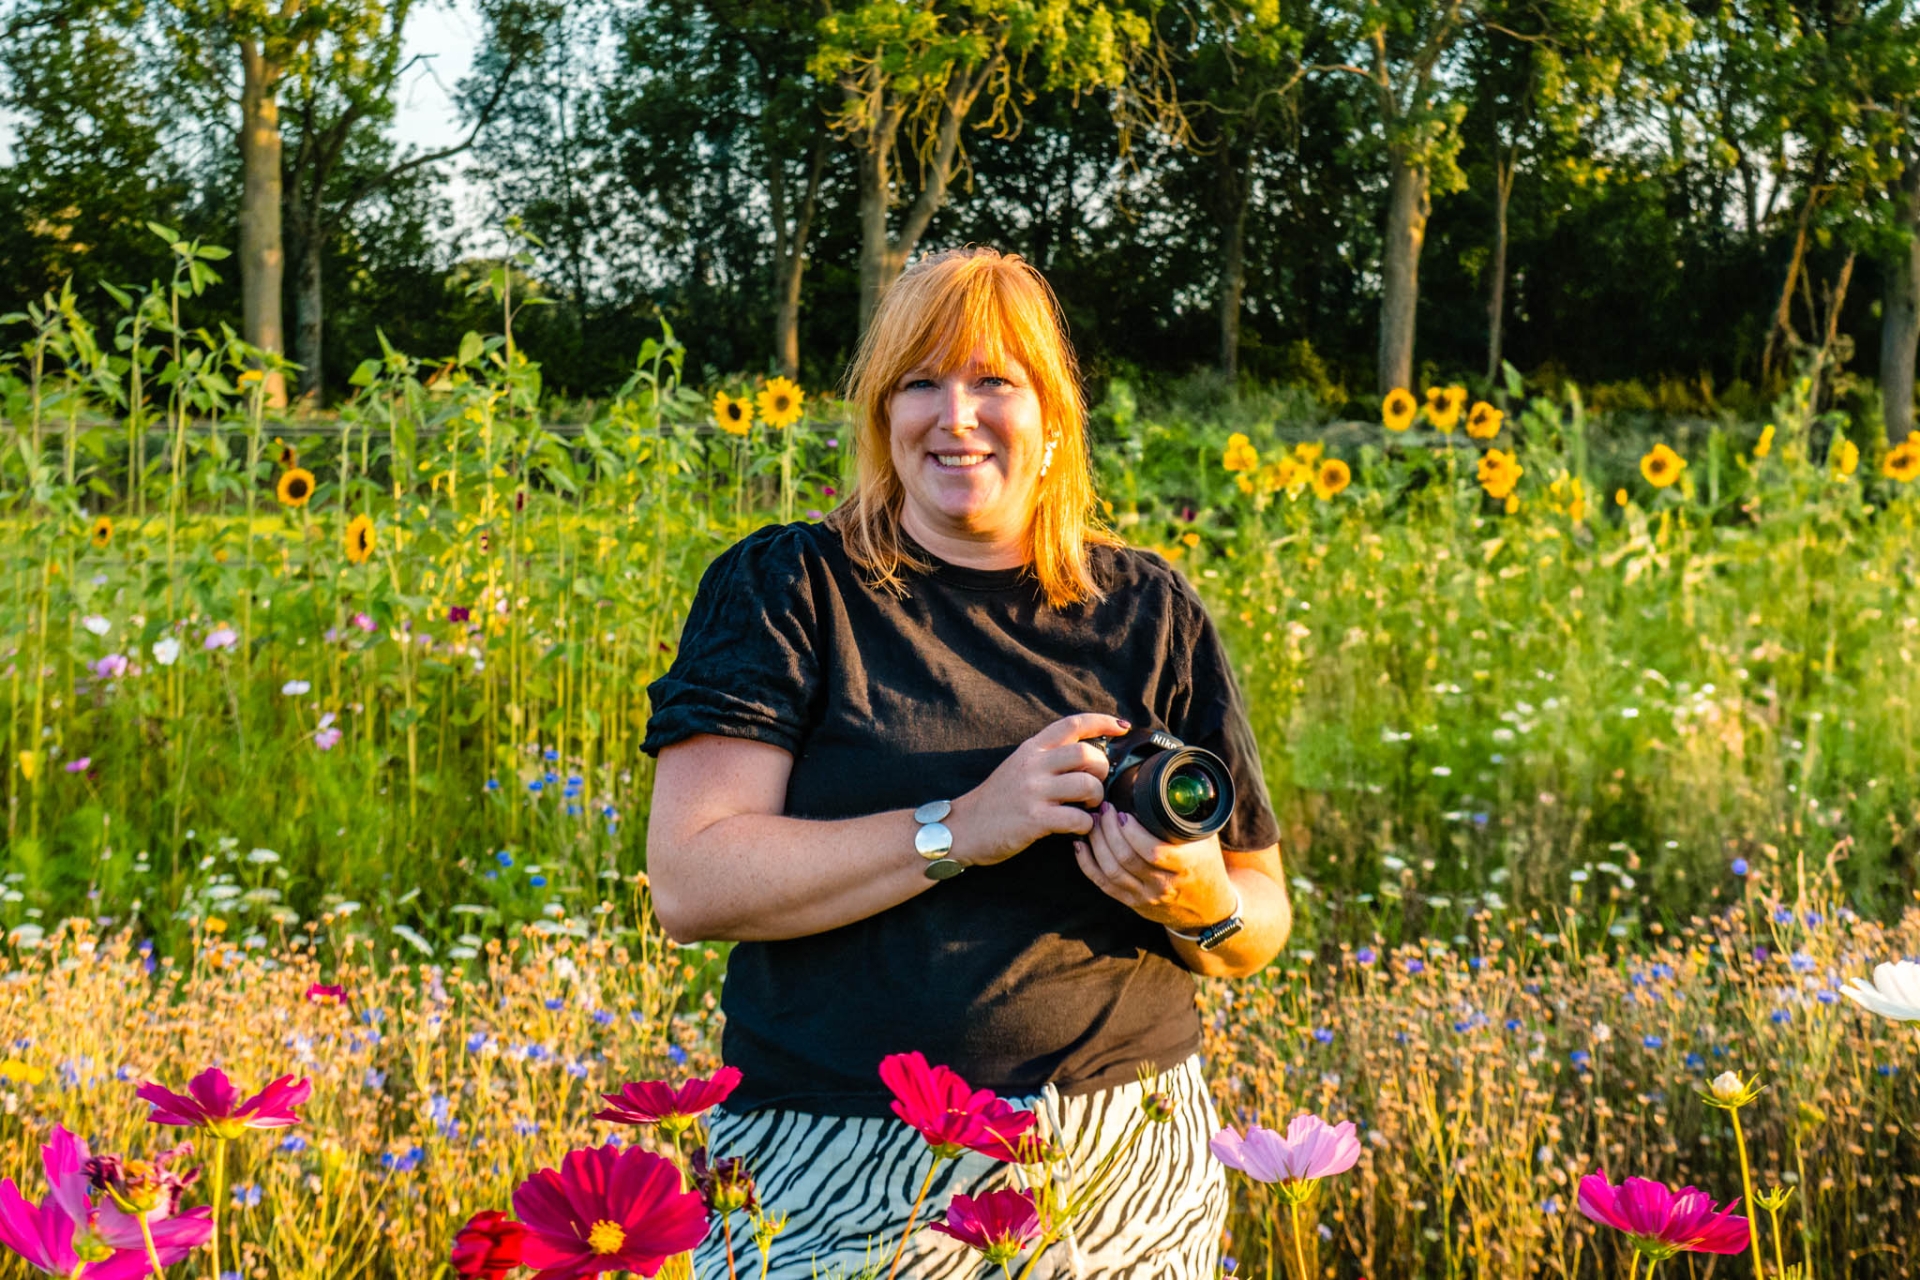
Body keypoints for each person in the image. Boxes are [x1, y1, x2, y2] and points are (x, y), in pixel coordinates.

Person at [642, 247, 1290, 1278]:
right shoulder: (789, 588)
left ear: (1053, 418)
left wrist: (1199, 899)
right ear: (881, 414)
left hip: (1119, 1163)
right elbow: (690, 880)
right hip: (833, 1164)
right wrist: (965, 825)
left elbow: (1260, 914)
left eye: (994, 381)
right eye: (920, 382)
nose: (956, 416)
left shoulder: (1149, 609)